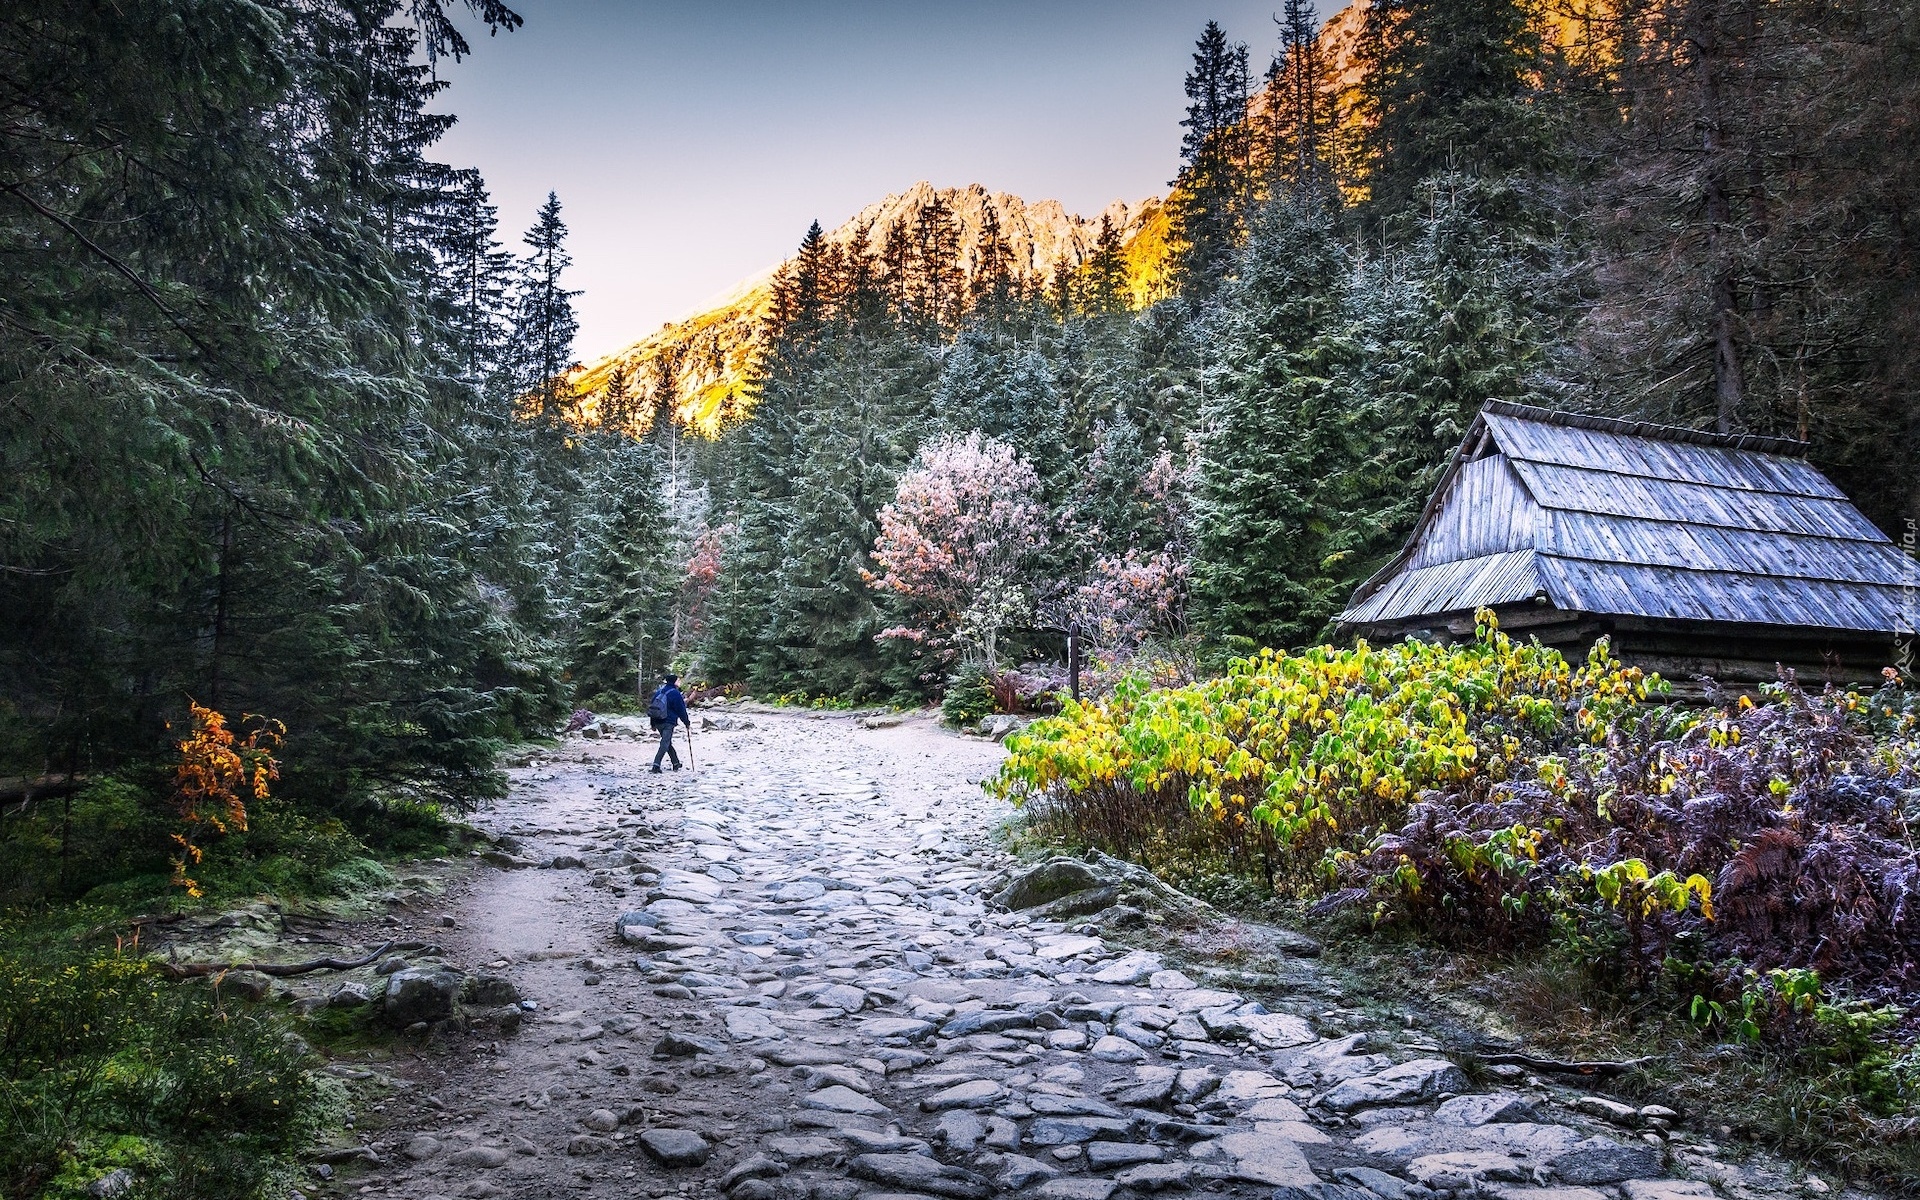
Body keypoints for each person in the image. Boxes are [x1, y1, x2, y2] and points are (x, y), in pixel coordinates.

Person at [647, 672, 690, 773]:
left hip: (658, 721)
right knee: (665, 743)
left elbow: (653, 707)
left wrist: (652, 723)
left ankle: (676, 763)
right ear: (675, 681)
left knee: (667, 742)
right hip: (668, 722)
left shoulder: (659, 691)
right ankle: (656, 765)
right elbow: (681, 710)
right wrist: (686, 722)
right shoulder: (675, 693)